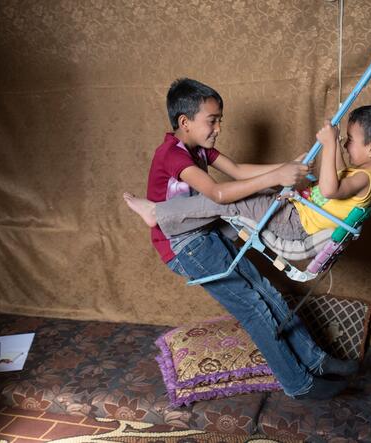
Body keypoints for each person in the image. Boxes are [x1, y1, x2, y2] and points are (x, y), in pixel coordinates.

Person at [129, 78, 358, 400]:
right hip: (184, 247)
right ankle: (299, 384)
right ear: (185, 122)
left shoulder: (200, 149)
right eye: (212, 120)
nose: (218, 128)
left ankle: (316, 361)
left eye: (220, 120)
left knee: (269, 294)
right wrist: (276, 178)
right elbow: (219, 193)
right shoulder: (173, 155)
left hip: (205, 234)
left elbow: (236, 170)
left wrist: (288, 167)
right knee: (254, 310)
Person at [124, 104, 371, 243]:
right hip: (293, 211)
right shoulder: (363, 174)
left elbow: (331, 190)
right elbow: (326, 190)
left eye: (350, 140)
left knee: (224, 198)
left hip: (294, 223)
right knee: (248, 192)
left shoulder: (366, 179)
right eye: (343, 138)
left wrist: (330, 144)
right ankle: (191, 225)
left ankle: (158, 213)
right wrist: (291, 172)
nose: (345, 143)